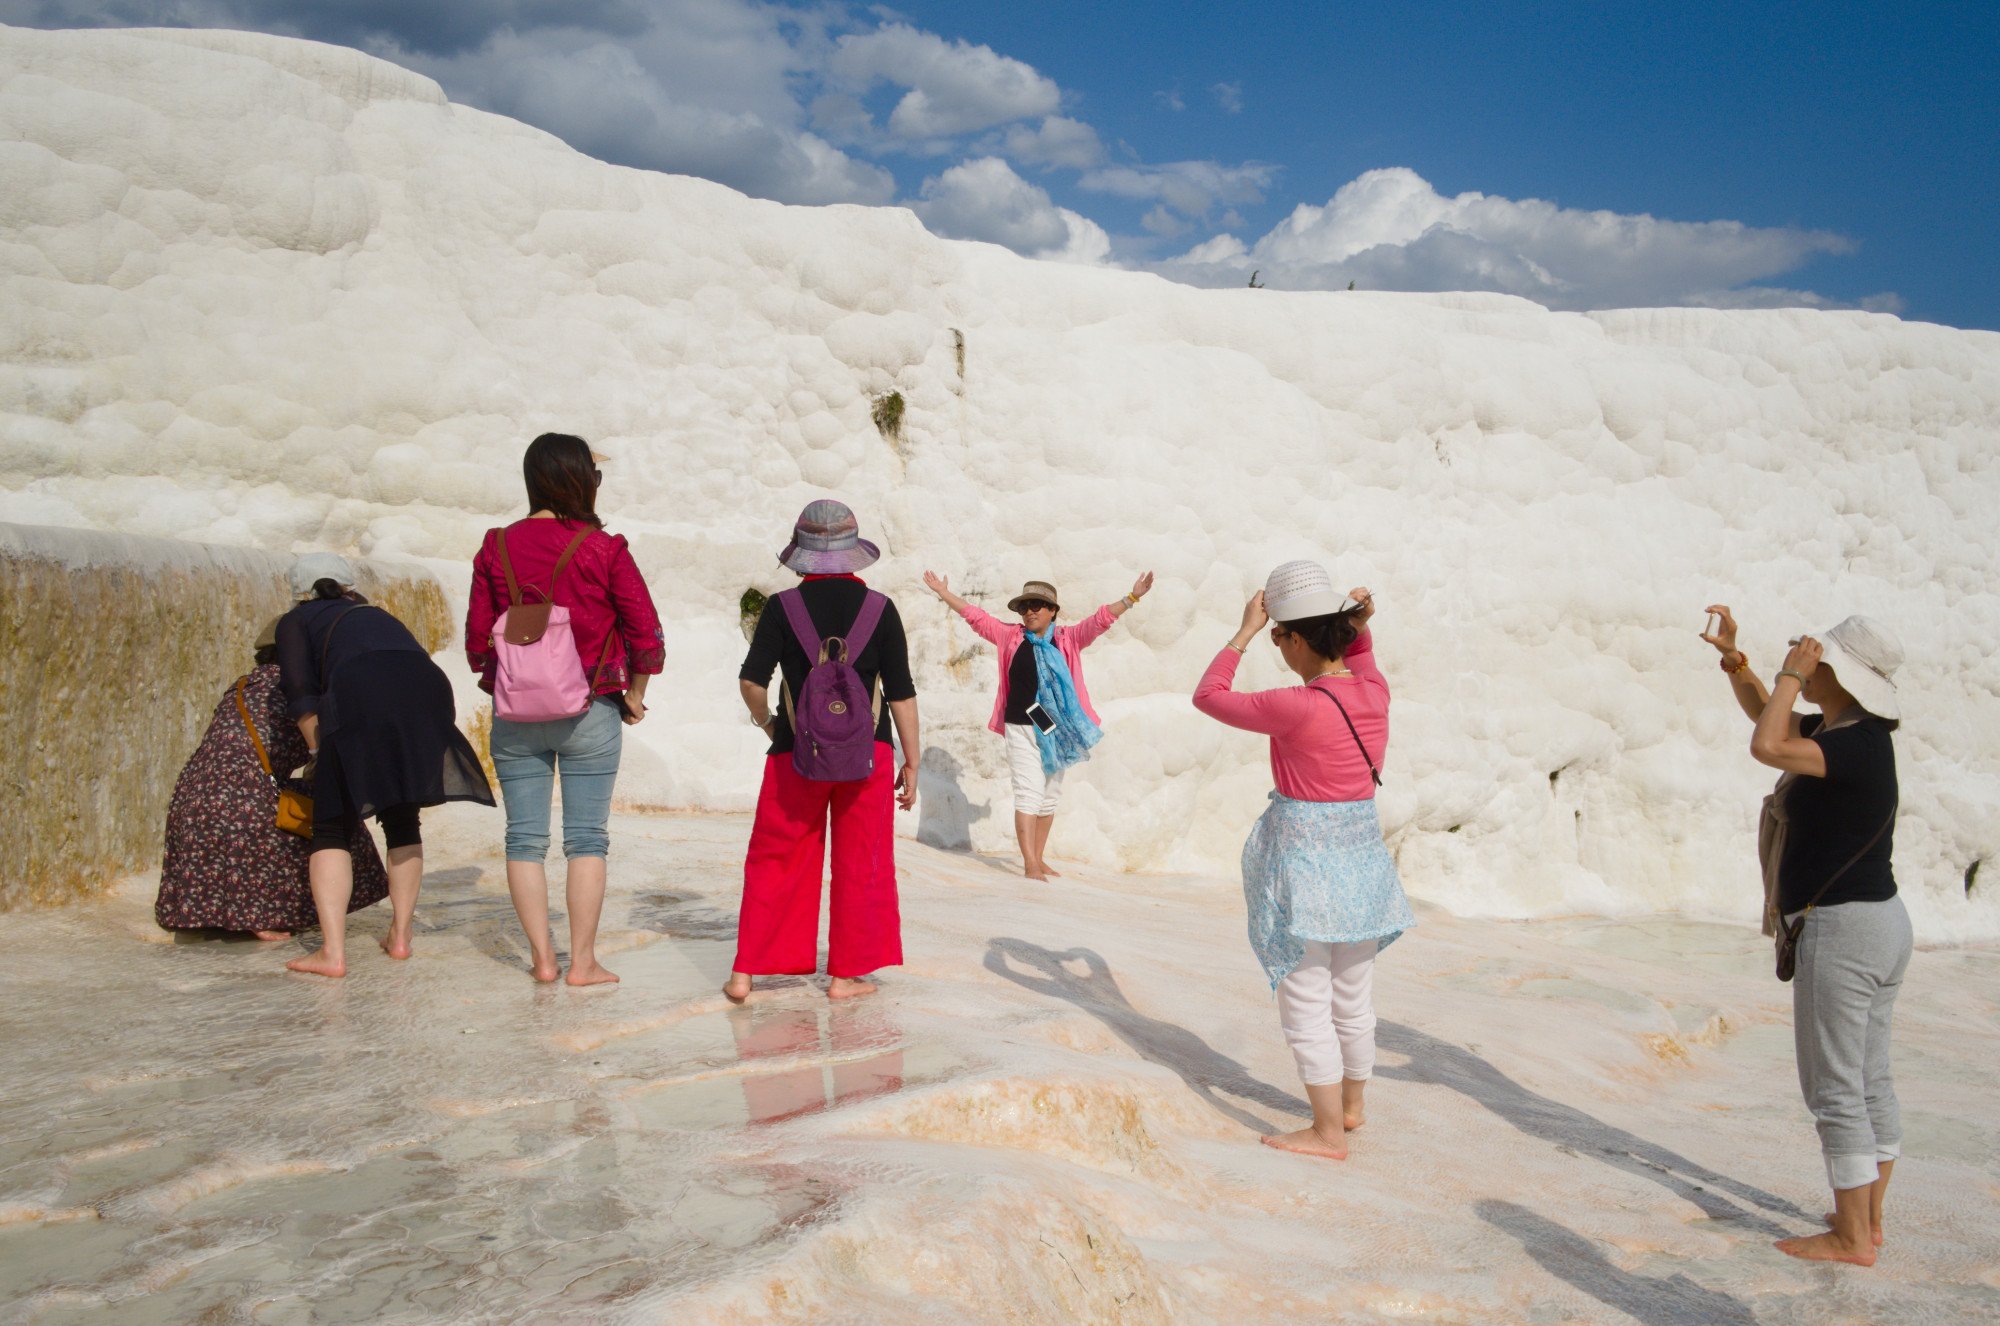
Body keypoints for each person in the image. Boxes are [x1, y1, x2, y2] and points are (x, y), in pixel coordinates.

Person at [1703, 605, 1909, 1266]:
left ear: (1837, 671)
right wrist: (1739, 663)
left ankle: (1851, 1239)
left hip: (1845, 928)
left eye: (1819, 658)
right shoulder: (1853, 733)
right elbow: (1770, 717)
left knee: (1836, 1088)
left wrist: (1794, 671)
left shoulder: (1852, 744)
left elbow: (1767, 746)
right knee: (1869, 1077)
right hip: (1879, 923)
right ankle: (1866, 1218)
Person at [1192, 561, 1415, 1161]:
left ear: (1295, 637)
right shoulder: (1373, 691)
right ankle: (1351, 1108)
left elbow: (1207, 696)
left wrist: (1241, 632)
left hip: (1306, 873)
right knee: (1353, 997)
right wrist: (1358, 625)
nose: (1274, 646)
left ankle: (1325, 1134)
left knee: (1306, 1004)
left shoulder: (1295, 706)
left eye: (1277, 637)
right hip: (1363, 865)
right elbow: (1360, 653)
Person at [465, 433, 665, 986]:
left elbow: (478, 639)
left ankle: (542, 961)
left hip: (514, 717)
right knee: (587, 839)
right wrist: (635, 694)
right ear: (582, 479)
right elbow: (645, 631)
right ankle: (583, 963)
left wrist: (510, 687)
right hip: (590, 710)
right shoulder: (604, 549)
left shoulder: (495, 546)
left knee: (524, 839)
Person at [730, 500, 919, 1003]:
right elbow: (900, 690)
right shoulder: (880, 609)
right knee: (863, 864)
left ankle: (745, 972)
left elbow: (752, 681)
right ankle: (843, 977)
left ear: (803, 556)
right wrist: (912, 761)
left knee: (776, 858)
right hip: (867, 758)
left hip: (795, 754)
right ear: (853, 554)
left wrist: (770, 723)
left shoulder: (781, 608)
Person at [277, 553, 493, 977]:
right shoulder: (374, 613)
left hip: (362, 689)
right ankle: (400, 936)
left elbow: (302, 693)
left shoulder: (297, 621)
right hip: (428, 690)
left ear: (300, 593)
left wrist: (321, 755)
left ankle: (332, 953)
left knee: (330, 826)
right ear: (350, 585)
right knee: (402, 817)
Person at [156, 617, 388, 937]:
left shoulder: (240, 686)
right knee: (334, 819)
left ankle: (211, 912)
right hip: (242, 804)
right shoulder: (303, 693)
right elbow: (328, 757)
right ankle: (264, 916)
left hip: (190, 800)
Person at [921, 570, 1154, 879]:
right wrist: (943, 592)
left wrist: (1132, 597)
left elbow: (1100, 621)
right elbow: (974, 617)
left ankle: (1039, 857)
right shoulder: (1010, 636)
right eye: (1024, 607)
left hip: (1055, 729)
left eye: (1037, 606)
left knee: (1050, 796)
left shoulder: (1067, 639)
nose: (1029, 612)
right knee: (1029, 792)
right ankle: (1030, 862)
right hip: (1020, 725)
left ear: (1053, 611)